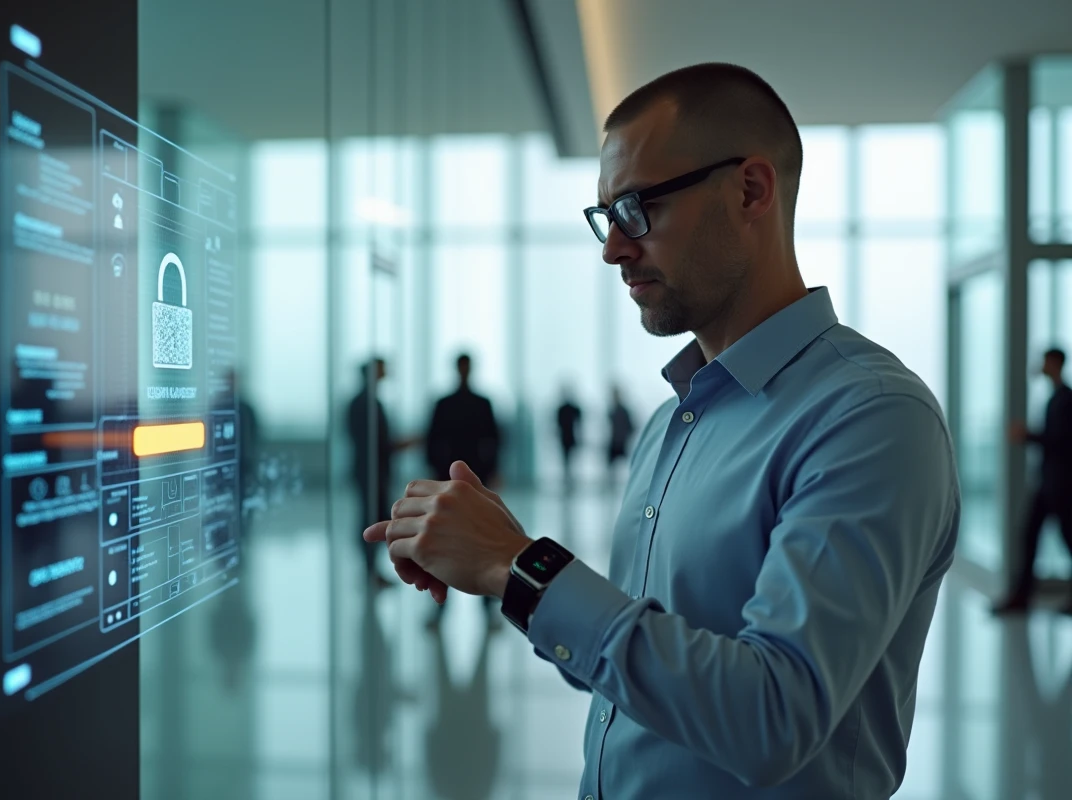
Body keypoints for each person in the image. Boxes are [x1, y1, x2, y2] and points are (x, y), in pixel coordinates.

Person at [365, 63, 959, 799]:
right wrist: (503, 570)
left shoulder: (868, 417)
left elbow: (771, 718)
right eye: (605, 216)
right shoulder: (672, 421)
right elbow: (642, 678)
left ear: (750, 190)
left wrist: (520, 567)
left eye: (637, 210)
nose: (613, 248)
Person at [992, 347, 1072, 614]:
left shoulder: (1066, 399)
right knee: (1030, 535)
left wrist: (1028, 435)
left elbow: (1062, 441)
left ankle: (1022, 597)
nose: (1042, 366)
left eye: (1046, 362)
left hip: (1060, 483)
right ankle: (1021, 596)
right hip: (1050, 481)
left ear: (1055, 363)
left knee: (1064, 536)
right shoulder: (1056, 398)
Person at [425, 353, 500, 627]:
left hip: (475, 478)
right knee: (447, 539)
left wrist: (491, 472)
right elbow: (432, 440)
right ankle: (440, 605)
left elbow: (494, 438)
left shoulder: (478, 403)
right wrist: (438, 473)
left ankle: (487, 606)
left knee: (481, 538)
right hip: (450, 477)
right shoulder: (447, 403)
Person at [347, 357, 413, 591]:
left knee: (372, 517)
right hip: (370, 472)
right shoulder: (364, 403)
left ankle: (371, 571)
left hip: (372, 471)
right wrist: (401, 445)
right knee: (371, 519)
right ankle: (370, 571)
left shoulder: (365, 402)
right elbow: (375, 444)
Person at [605, 384, 635, 484]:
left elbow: (631, 426)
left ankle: (627, 482)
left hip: (621, 441)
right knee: (611, 466)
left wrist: (624, 436)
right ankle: (612, 483)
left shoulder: (623, 410)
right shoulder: (612, 410)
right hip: (613, 441)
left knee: (625, 465)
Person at [556, 388, 582, 487]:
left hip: (569, 437)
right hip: (566, 437)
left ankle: (570, 478)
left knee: (570, 459)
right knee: (566, 460)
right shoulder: (565, 409)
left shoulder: (564, 409)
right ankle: (568, 478)